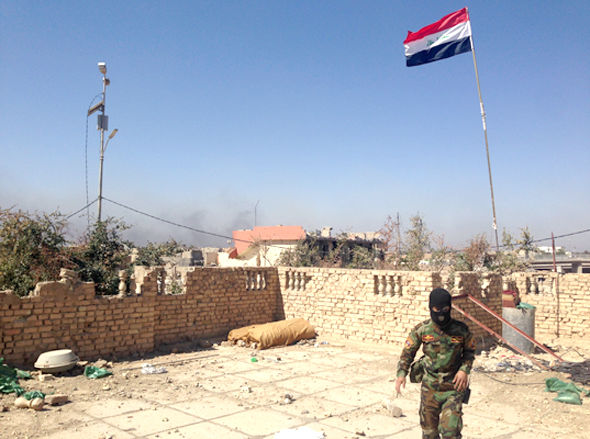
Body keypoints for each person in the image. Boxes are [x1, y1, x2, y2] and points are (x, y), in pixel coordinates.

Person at [395, 288, 475, 439]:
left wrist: (464, 370)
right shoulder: (423, 330)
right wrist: (401, 373)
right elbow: (408, 352)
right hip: (429, 388)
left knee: (450, 432)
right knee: (429, 433)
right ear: (430, 307)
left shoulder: (461, 330)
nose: (441, 315)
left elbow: (470, 352)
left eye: (445, 309)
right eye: (437, 310)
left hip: (453, 388)